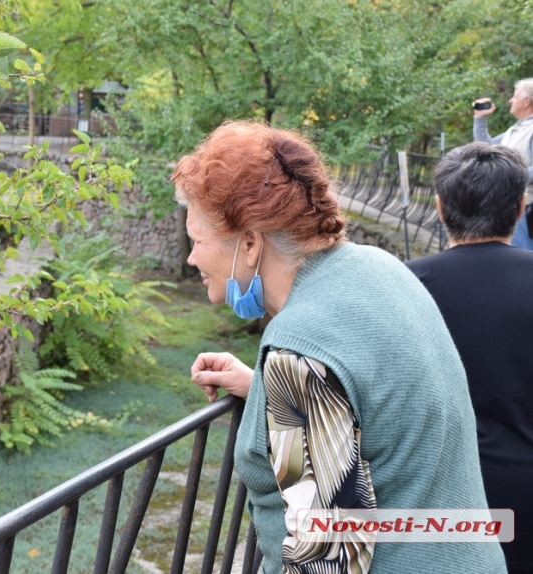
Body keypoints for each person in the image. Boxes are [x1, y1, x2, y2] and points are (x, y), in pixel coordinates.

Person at [170, 120, 505, 573]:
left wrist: (288, 377)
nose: (191, 258)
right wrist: (267, 390)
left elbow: (328, 558)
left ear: (249, 243)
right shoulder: (379, 267)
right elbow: (376, 403)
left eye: (198, 240)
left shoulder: (302, 350)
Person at [406, 142, 533, 573]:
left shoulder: (403, 287)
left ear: (439, 209)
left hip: (436, 502)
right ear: (520, 209)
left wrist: (260, 384)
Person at [472, 78, 533, 250]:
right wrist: (480, 118)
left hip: (527, 211)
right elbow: (486, 147)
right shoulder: (517, 128)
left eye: (515, 96)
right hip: (511, 207)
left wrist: (505, 175)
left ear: (527, 102)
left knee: (524, 265)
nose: (510, 100)